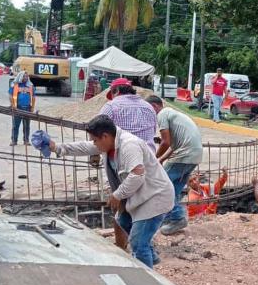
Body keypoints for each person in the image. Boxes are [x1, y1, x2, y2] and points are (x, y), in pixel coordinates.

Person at [43, 115, 174, 268]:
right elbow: (84, 147)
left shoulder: (128, 146)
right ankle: (149, 258)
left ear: (105, 136)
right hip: (140, 196)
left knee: (138, 243)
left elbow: (137, 175)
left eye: (95, 140)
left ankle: (148, 281)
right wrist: (56, 147)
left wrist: (118, 195)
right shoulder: (109, 144)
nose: (94, 144)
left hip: (154, 197)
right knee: (124, 221)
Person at [145, 95, 203, 235]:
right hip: (193, 155)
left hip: (183, 155)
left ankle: (177, 217)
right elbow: (173, 145)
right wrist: (161, 159)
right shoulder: (173, 114)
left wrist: (153, 158)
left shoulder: (162, 115)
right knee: (173, 190)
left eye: (148, 110)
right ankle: (172, 219)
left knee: (160, 186)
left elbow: (165, 142)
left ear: (154, 107)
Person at [99, 78, 157, 152]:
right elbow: (153, 132)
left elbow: (98, 130)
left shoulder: (111, 106)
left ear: (116, 91)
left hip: (125, 156)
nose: (112, 99)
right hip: (150, 156)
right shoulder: (149, 107)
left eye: (112, 95)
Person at [9, 71, 35, 146]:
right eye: (24, 76)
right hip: (17, 108)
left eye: (27, 76)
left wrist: (32, 107)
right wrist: (13, 105)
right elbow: (10, 95)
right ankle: (14, 140)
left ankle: (26, 141)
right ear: (20, 77)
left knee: (26, 126)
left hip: (27, 108)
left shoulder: (30, 86)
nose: (26, 78)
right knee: (15, 126)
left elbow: (33, 97)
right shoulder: (15, 85)